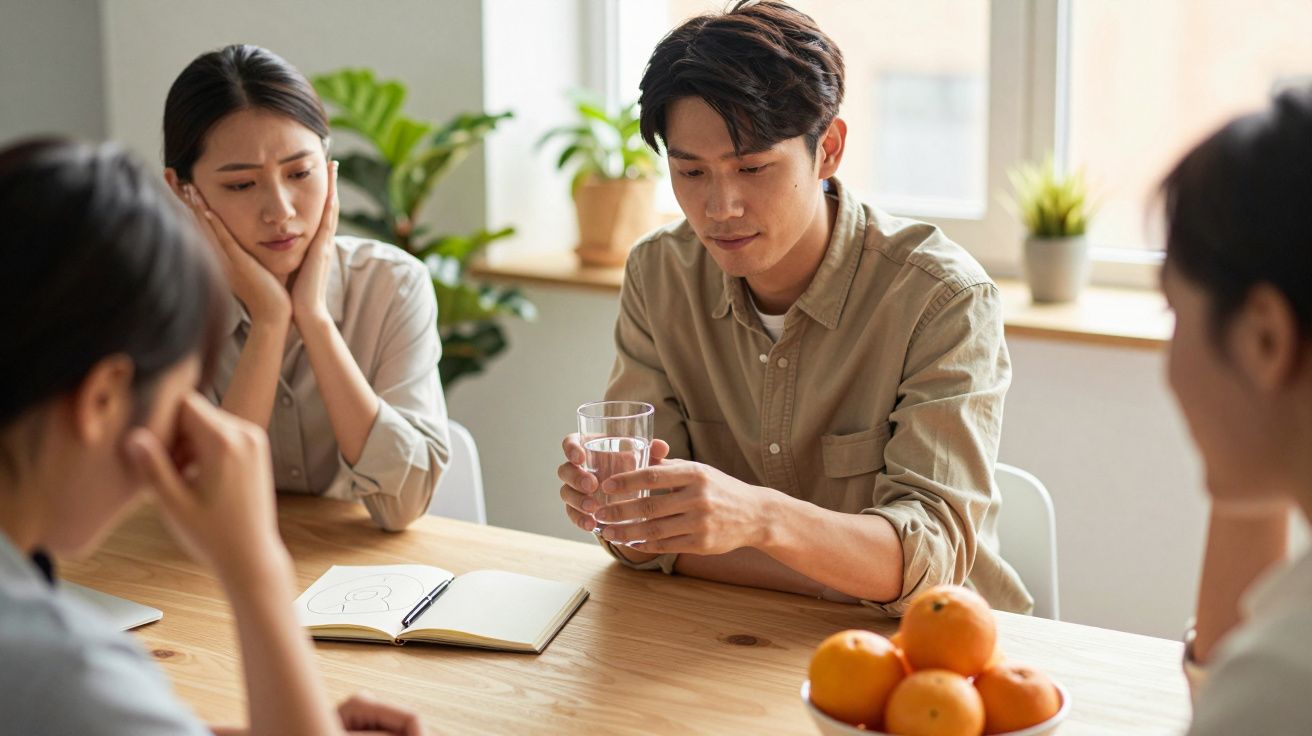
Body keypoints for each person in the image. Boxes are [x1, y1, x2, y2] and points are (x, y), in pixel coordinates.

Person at [555, 0, 1031, 615]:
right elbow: (642, 535)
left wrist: (757, 519)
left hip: (930, 654)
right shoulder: (660, 273)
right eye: (691, 171)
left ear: (827, 148)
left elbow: (926, 561)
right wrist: (616, 508)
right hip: (731, 638)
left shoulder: (940, 299)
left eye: (752, 167)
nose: (720, 206)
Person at [0, 138, 424, 735]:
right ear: (102, 400)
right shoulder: (67, 671)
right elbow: (76, 701)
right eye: (181, 404)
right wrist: (256, 573)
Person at [162, 44, 449, 531]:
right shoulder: (168, 303)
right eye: (241, 185)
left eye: (299, 173)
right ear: (183, 190)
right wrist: (270, 321)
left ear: (328, 164)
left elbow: (402, 507)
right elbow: (210, 513)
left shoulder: (393, 285)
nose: (281, 211)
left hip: (363, 583)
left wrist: (314, 319)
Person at [1158, 86, 1312, 735]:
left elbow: (1247, 700)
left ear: (1265, 337)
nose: (1170, 369)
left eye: (1174, 314)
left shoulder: (1286, 677)